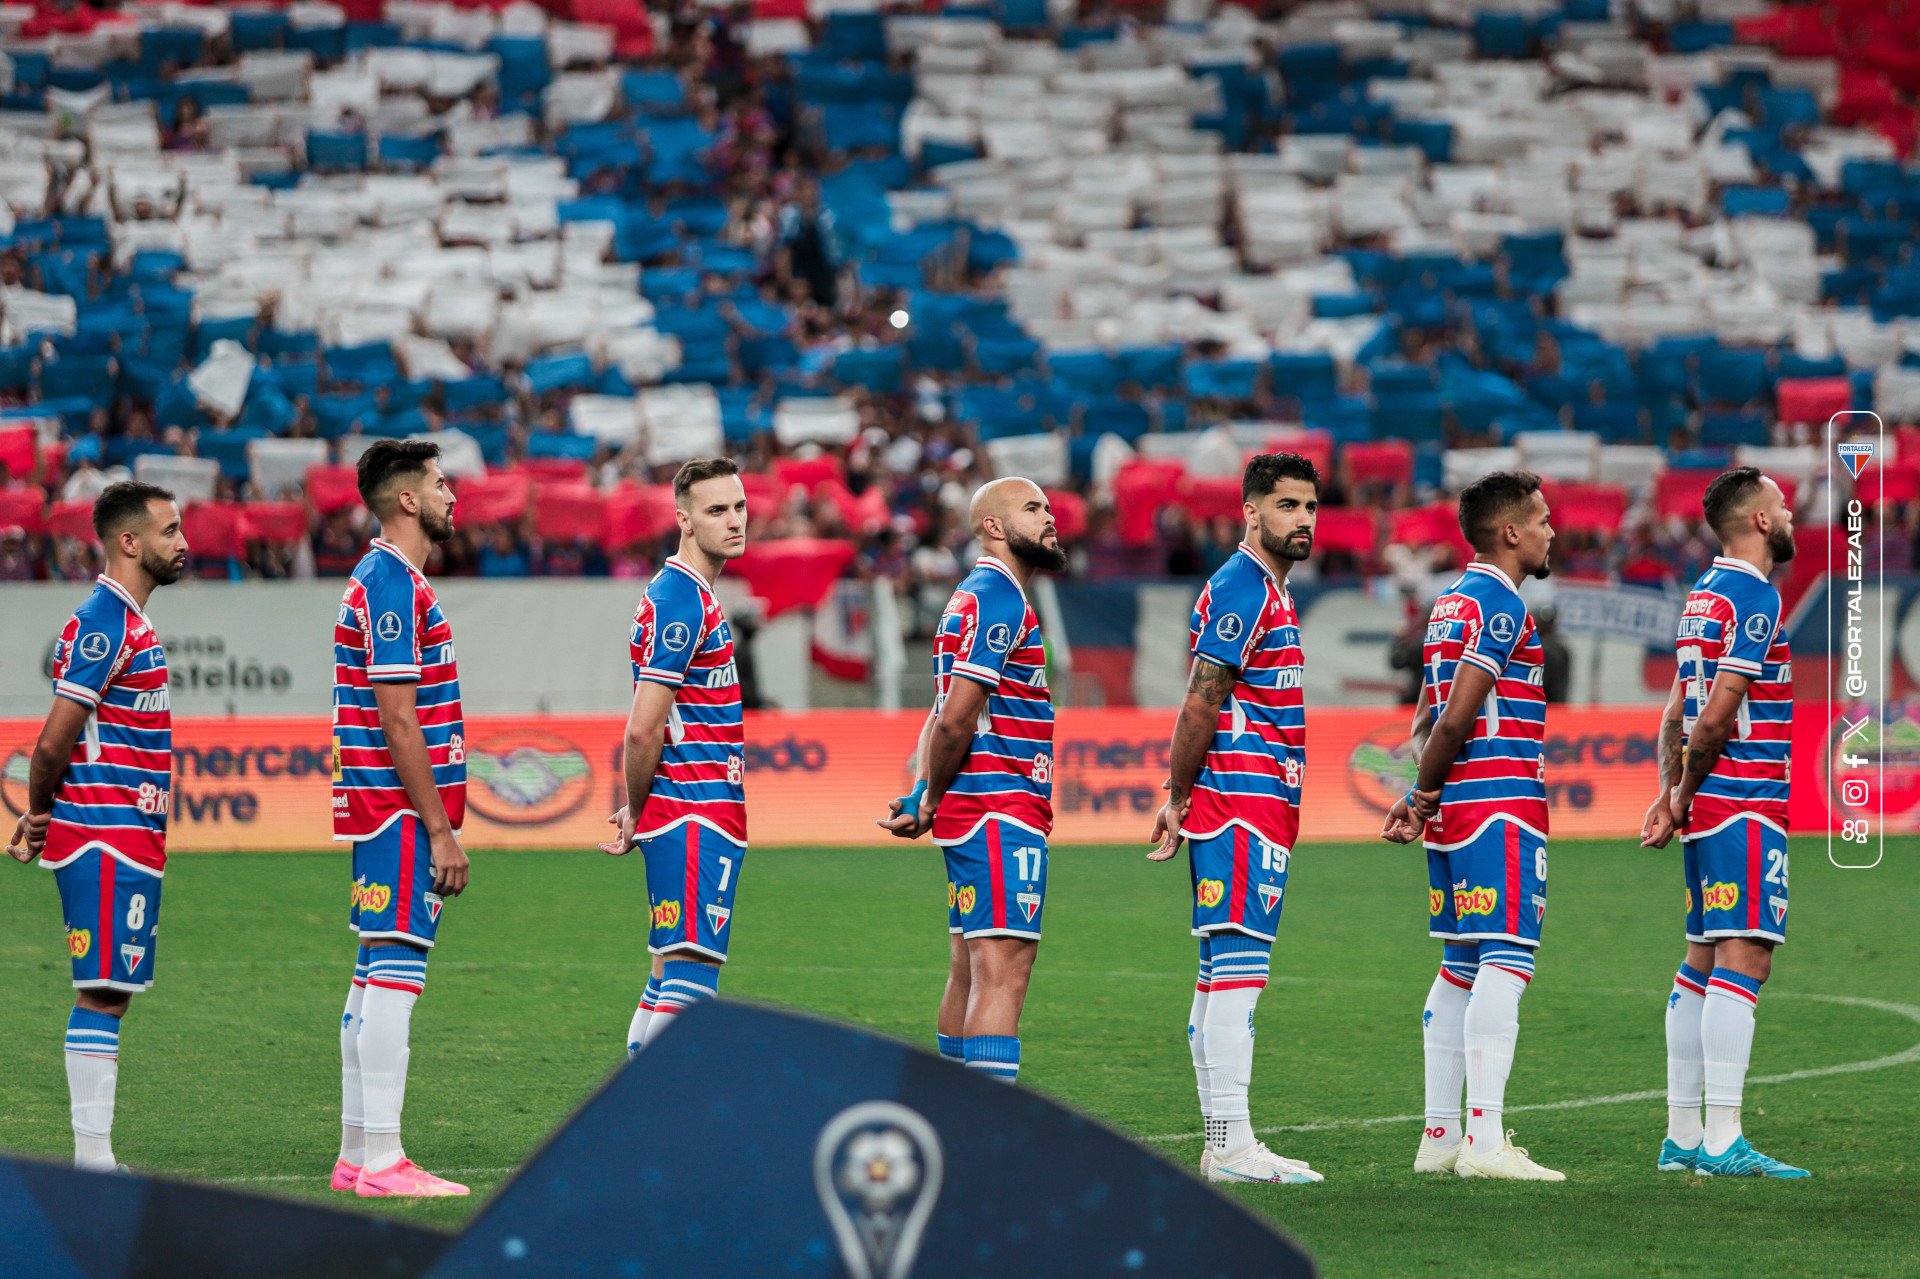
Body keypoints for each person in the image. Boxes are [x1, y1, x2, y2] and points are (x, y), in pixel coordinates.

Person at [1147, 453, 1323, 1185]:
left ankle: (1225, 1142)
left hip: (1254, 806)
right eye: (1287, 506)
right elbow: (1200, 698)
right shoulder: (1242, 587)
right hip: (1238, 805)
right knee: (1239, 974)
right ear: (1251, 511)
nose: (1303, 520)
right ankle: (1233, 1143)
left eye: (1311, 507)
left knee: (1222, 973)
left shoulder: (1270, 593)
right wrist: (1178, 793)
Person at [1382, 471, 1562, 1181]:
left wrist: (1418, 792)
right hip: (1499, 800)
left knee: (1459, 964)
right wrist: (1420, 795)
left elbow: (1427, 714)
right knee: (1507, 960)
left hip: (1457, 805)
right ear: (1511, 531)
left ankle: (1439, 1135)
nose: (1552, 530)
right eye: (1542, 519)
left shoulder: (1447, 604)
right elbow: (1455, 715)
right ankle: (1485, 1142)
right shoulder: (1501, 604)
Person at [8, 481, 186, 1172]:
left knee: (114, 990)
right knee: (103, 990)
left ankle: (95, 1160)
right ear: (130, 542)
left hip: (129, 834)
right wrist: (42, 811)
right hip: (102, 831)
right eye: (170, 530)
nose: (184, 542)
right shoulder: (105, 619)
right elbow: (53, 742)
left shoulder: (129, 622)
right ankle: (93, 1163)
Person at [1639, 467, 1806, 1178]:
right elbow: (1712, 717)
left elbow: (1675, 710)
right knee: (1747, 958)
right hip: (1743, 801)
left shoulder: (1701, 597)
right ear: (1760, 521)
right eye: (1782, 503)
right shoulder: (1756, 595)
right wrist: (1680, 793)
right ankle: (1721, 1139)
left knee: (1700, 960)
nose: (1792, 511)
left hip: (1712, 807)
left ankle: (1683, 1135)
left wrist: (1669, 791)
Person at [879, 477, 1065, 1085]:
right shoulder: (1001, 598)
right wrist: (929, 796)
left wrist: (923, 793)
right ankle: (986, 1148)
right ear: (992, 526)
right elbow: (958, 714)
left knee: (967, 969)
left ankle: (951, 1122)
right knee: (1004, 972)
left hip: (973, 808)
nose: (1049, 517)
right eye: (1032, 508)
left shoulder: (967, 597)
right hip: (999, 806)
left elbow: (940, 713)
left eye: (1048, 506)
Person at [329, 440, 471, 1198]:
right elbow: (398, 719)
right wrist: (441, 827)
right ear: (408, 500)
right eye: (442, 484)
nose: (455, 496)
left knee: (370, 976)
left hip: (381, 810)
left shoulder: (386, 578)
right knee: (395, 976)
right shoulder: (391, 584)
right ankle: (384, 1159)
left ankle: (358, 1152)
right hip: (401, 813)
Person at [602, 458, 749, 1053]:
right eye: (717, 511)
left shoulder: (687, 595)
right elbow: (643, 730)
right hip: (695, 808)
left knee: (666, 977)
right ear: (684, 520)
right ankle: (660, 1135)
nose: (734, 520)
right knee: (690, 982)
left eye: (739, 506)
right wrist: (638, 807)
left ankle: (630, 1130)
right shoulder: (682, 600)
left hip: (687, 806)